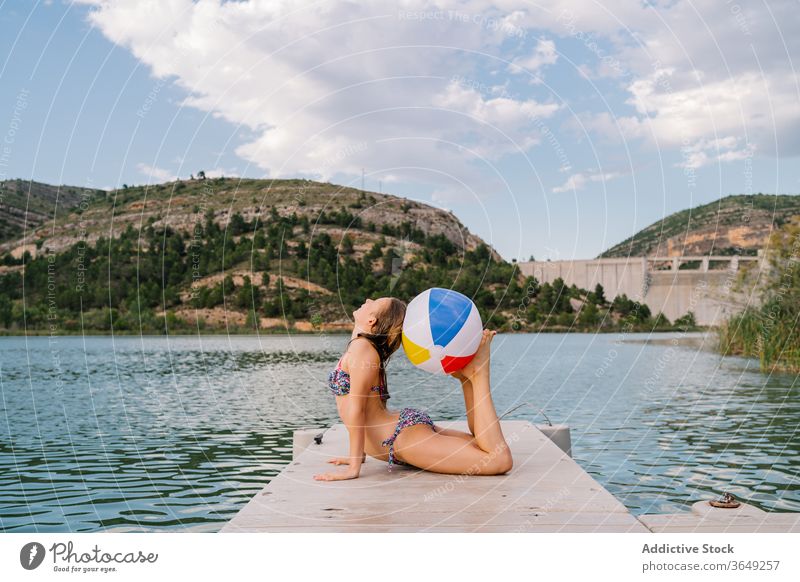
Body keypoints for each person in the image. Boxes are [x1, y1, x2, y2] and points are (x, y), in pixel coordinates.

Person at [313, 296, 513, 481]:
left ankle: (478, 375)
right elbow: (369, 406)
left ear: (372, 320)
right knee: (481, 444)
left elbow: (357, 411)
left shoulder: (362, 349)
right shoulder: (362, 347)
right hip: (400, 430)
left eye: (373, 302)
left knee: (498, 459)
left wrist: (353, 467)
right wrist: (359, 454)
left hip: (400, 438)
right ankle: (466, 379)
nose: (367, 300)